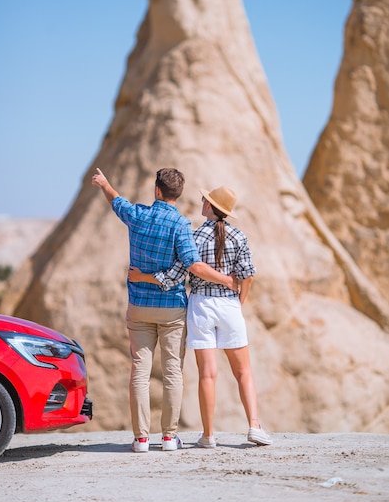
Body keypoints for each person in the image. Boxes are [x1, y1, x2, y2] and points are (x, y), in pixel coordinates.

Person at [92, 168, 238, 453]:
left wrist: (104, 183)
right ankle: (169, 437)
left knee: (139, 372)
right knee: (173, 372)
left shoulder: (138, 215)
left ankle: (141, 439)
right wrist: (228, 281)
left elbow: (115, 200)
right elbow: (191, 265)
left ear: (157, 190)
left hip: (139, 307)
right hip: (171, 309)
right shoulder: (181, 226)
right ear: (178, 194)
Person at [128, 185, 272, 448]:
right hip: (229, 306)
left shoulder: (193, 236)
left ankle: (208, 435)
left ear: (209, 206)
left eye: (205, 199)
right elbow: (248, 275)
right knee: (243, 372)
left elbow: (176, 275)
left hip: (200, 305)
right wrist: (239, 302)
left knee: (208, 374)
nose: (201, 201)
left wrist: (142, 277)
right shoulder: (239, 236)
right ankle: (254, 426)